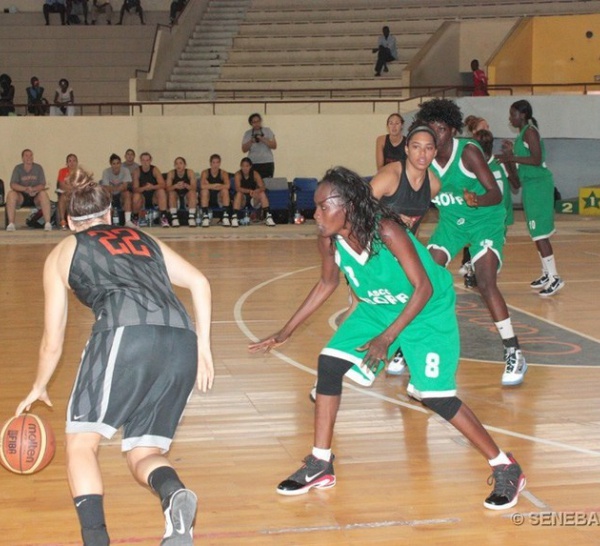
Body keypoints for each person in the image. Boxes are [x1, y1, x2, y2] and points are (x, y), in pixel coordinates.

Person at [249, 167, 525, 510]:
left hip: (427, 308)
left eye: (322, 206)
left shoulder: (387, 230)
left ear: (347, 206)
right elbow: (326, 283)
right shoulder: (328, 238)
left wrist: (387, 338)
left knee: (435, 397)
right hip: (379, 306)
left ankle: (505, 466)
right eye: (315, 207)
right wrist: (284, 331)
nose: (315, 214)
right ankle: (320, 463)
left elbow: (422, 288)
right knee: (329, 364)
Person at [15, 169, 213, 546]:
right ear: (109, 215)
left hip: (126, 332)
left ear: (70, 221)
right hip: (182, 339)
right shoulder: (145, 237)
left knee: (81, 445)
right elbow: (199, 282)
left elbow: (52, 341)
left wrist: (39, 385)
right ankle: (173, 495)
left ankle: (96, 540)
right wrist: (203, 348)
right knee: (145, 451)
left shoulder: (63, 251)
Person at [415, 98, 527, 387]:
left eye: (441, 129)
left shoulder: (469, 153)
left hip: (485, 218)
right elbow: (416, 203)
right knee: (423, 275)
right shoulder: (422, 157)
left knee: (485, 281)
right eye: (431, 128)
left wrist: (475, 200)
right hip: (451, 222)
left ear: (452, 130)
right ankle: (409, 344)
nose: (435, 134)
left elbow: (496, 194)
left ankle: (513, 349)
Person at [496, 99, 564, 297]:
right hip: (531, 186)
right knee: (536, 233)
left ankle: (555, 277)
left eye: (513, 114)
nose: (510, 118)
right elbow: (517, 177)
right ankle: (545, 273)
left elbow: (536, 159)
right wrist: (509, 155)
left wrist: (510, 157)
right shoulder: (521, 136)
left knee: (540, 234)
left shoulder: (530, 131)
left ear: (522, 115)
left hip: (540, 186)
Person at [459, 115, 492, 288]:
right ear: (474, 132)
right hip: (472, 203)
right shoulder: (468, 153)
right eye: (483, 127)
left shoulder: (489, 155)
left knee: (480, 238)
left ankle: (473, 268)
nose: (487, 129)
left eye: (488, 126)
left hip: (486, 206)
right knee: (472, 236)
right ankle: (470, 267)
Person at [6, 149, 52, 232]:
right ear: (22, 158)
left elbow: (42, 184)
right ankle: (11, 223)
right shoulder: (18, 168)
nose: (29, 157)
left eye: (31, 155)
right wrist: (25, 189)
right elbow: (13, 184)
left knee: (44, 194)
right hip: (21, 196)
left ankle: (47, 223)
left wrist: (34, 189)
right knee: (11, 194)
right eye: (26, 155)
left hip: (35, 196)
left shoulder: (38, 168)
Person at [232, 157, 276, 227]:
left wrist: (257, 191)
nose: (245, 168)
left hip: (253, 198)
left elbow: (263, 187)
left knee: (262, 193)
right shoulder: (238, 174)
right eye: (243, 166)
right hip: (242, 200)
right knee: (239, 194)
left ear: (250, 166)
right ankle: (234, 217)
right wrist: (249, 191)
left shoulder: (255, 174)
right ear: (241, 166)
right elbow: (237, 188)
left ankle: (268, 216)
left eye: (247, 166)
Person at [132, 152, 170, 227]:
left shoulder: (155, 169)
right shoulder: (137, 171)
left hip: (154, 197)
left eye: (147, 160)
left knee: (161, 191)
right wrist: (144, 188)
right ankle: (135, 218)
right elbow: (135, 189)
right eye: (143, 160)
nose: (145, 162)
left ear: (150, 160)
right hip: (142, 197)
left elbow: (163, 184)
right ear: (140, 161)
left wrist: (152, 187)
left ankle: (163, 217)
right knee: (136, 196)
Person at [100, 153, 135, 227]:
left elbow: (125, 186)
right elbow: (106, 187)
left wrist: (114, 188)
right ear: (111, 164)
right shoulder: (106, 172)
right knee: (106, 194)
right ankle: (107, 221)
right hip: (111, 194)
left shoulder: (125, 170)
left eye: (118, 163)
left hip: (121, 194)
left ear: (120, 163)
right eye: (114, 163)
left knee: (127, 194)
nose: (116, 165)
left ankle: (128, 221)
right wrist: (117, 187)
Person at [199, 154, 232, 228]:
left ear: (220, 163)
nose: (215, 165)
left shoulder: (223, 173)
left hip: (219, 198)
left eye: (217, 162)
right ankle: (205, 216)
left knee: (225, 190)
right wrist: (214, 186)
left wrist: (210, 186)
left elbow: (228, 185)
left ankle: (225, 216)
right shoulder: (205, 172)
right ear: (210, 163)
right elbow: (202, 186)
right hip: (208, 197)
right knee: (204, 191)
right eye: (213, 162)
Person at [241, 113, 277, 180]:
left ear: (261, 121)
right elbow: (244, 149)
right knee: (254, 183)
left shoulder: (267, 130)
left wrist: (262, 139)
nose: (256, 124)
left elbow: (274, 146)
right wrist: (251, 141)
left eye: (258, 121)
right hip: (253, 162)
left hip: (267, 162)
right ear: (251, 123)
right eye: (254, 122)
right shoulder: (248, 133)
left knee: (267, 184)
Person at [166, 156, 198, 227]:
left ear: (185, 165)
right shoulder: (171, 173)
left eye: (180, 163)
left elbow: (194, 188)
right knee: (171, 193)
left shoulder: (190, 172)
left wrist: (186, 185)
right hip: (176, 194)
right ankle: (174, 218)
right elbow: (167, 188)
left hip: (187, 193)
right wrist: (175, 186)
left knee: (192, 193)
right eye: (176, 164)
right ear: (174, 165)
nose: (178, 165)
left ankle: (191, 218)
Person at [56, 153, 80, 230]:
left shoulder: (80, 172)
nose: (72, 163)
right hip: (66, 193)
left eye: (74, 161)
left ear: (77, 162)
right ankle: (63, 221)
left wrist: (74, 190)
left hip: (78, 194)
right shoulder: (62, 171)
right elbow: (62, 185)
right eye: (70, 161)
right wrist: (72, 189)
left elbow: (82, 185)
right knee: (63, 198)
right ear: (67, 163)